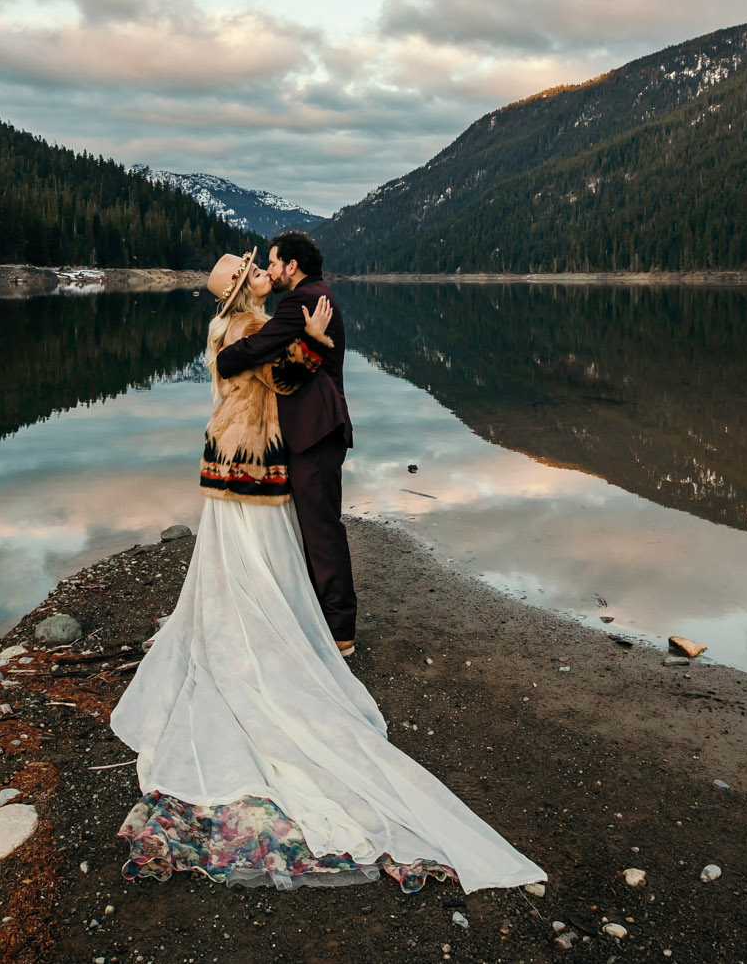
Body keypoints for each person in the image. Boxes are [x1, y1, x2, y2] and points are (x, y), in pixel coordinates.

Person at [107, 250, 546, 894]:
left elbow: (285, 380)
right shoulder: (232, 329)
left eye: (263, 264)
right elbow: (240, 366)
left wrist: (308, 341)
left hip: (260, 460)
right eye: (250, 269)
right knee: (243, 548)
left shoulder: (263, 320)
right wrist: (305, 336)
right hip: (242, 459)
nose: (261, 270)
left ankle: (272, 618)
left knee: (266, 550)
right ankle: (256, 624)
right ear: (233, 289)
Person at [214, 232, 356, 654]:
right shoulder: (310, 296)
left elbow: (258, 354)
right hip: (312, 430)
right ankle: (321, 616)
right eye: (264, 268)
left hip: (315, 430)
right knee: (313, 527)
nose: (271, 271)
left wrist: (225, 357)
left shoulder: (300, 302)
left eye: (272, 263)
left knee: (321, 529)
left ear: (292, 265)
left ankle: (340, 631)